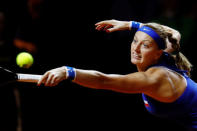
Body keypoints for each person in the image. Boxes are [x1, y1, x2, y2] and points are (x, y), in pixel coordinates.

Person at [37, 19, 196, 130]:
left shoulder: (155, 78)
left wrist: (67, 71)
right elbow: (173, 33)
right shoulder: (164, 50)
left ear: (157, 53)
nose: (136, 48)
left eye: (145, 45)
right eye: (135, 41)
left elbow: (103, 81)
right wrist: (130, 25)